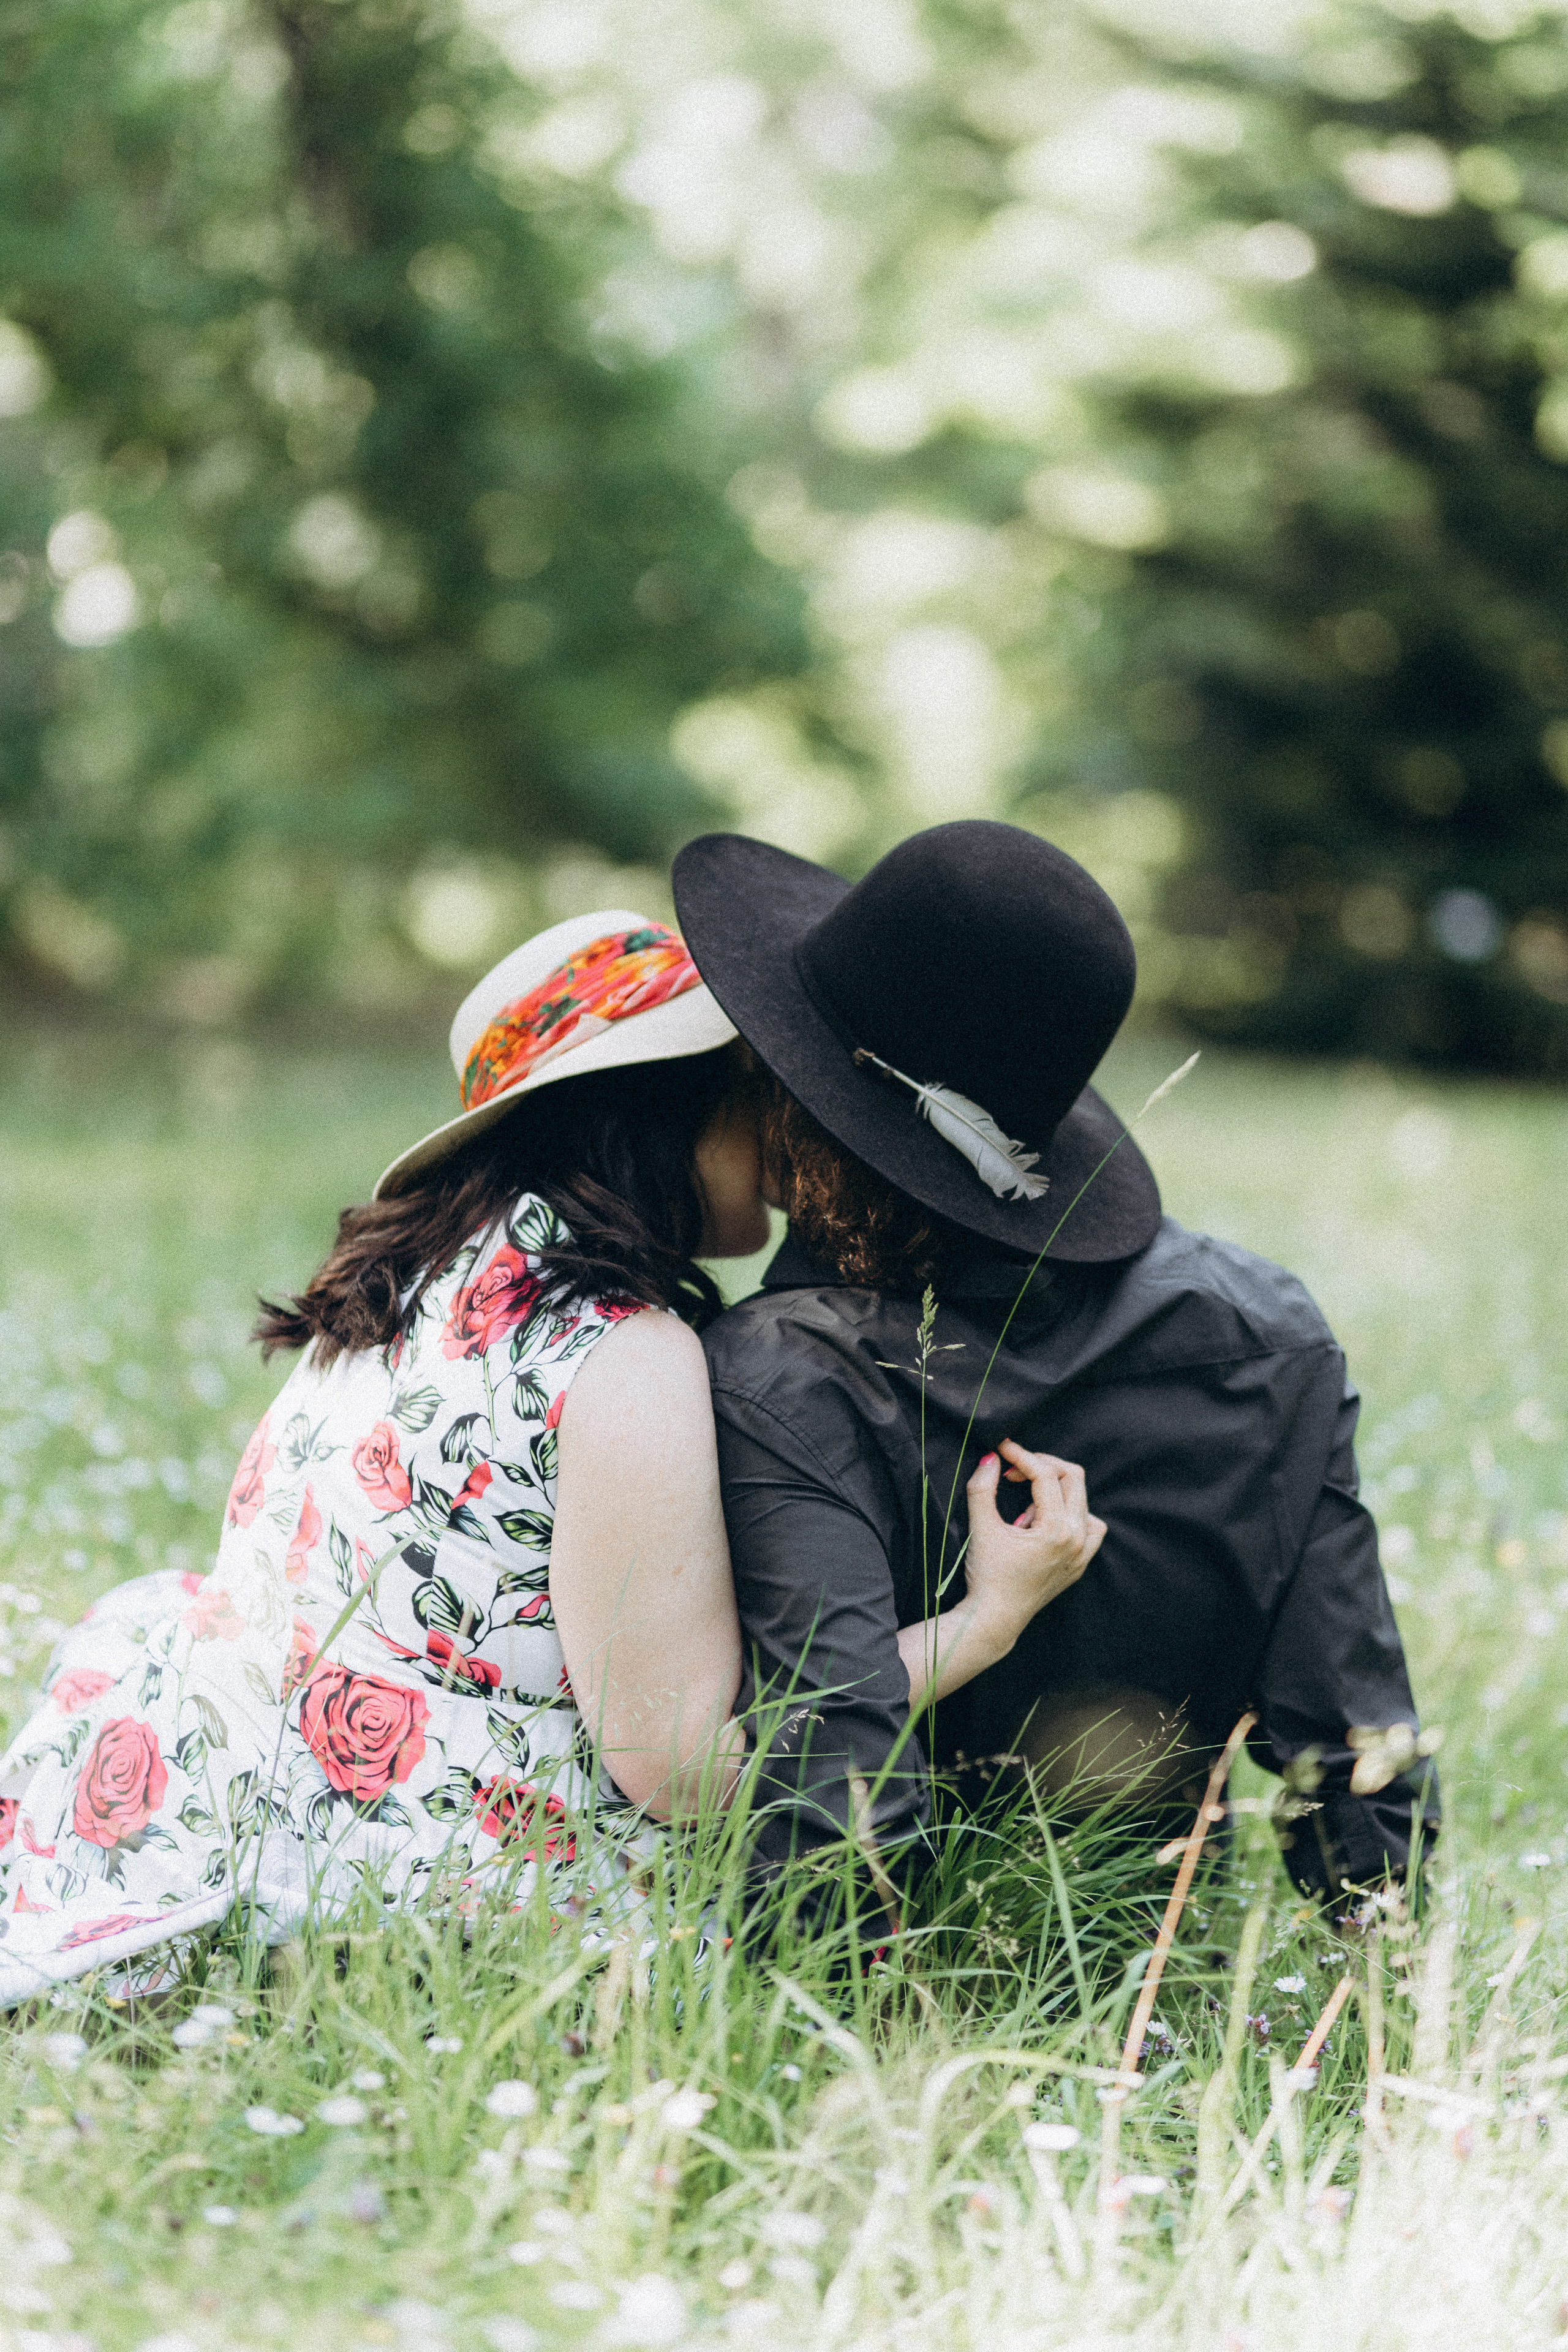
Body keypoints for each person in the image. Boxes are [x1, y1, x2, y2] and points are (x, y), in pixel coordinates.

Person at [0, 907, 1099, 2008]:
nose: (783, 1132)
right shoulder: (621, 1352)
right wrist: (983, 1625)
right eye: (759, 1089)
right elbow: (679, 1771)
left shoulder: (415, 1273)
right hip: (425, 1891)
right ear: (667, 1106)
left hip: (244, 1798)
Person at [673, 819, 1440, 1913]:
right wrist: (1382, 1990)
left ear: (806, 1095)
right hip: (1145, 1967)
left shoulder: (779, 1373)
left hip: (888, 2000)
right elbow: (1353, 1742)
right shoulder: (1268, 1331)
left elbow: (831, 1812)